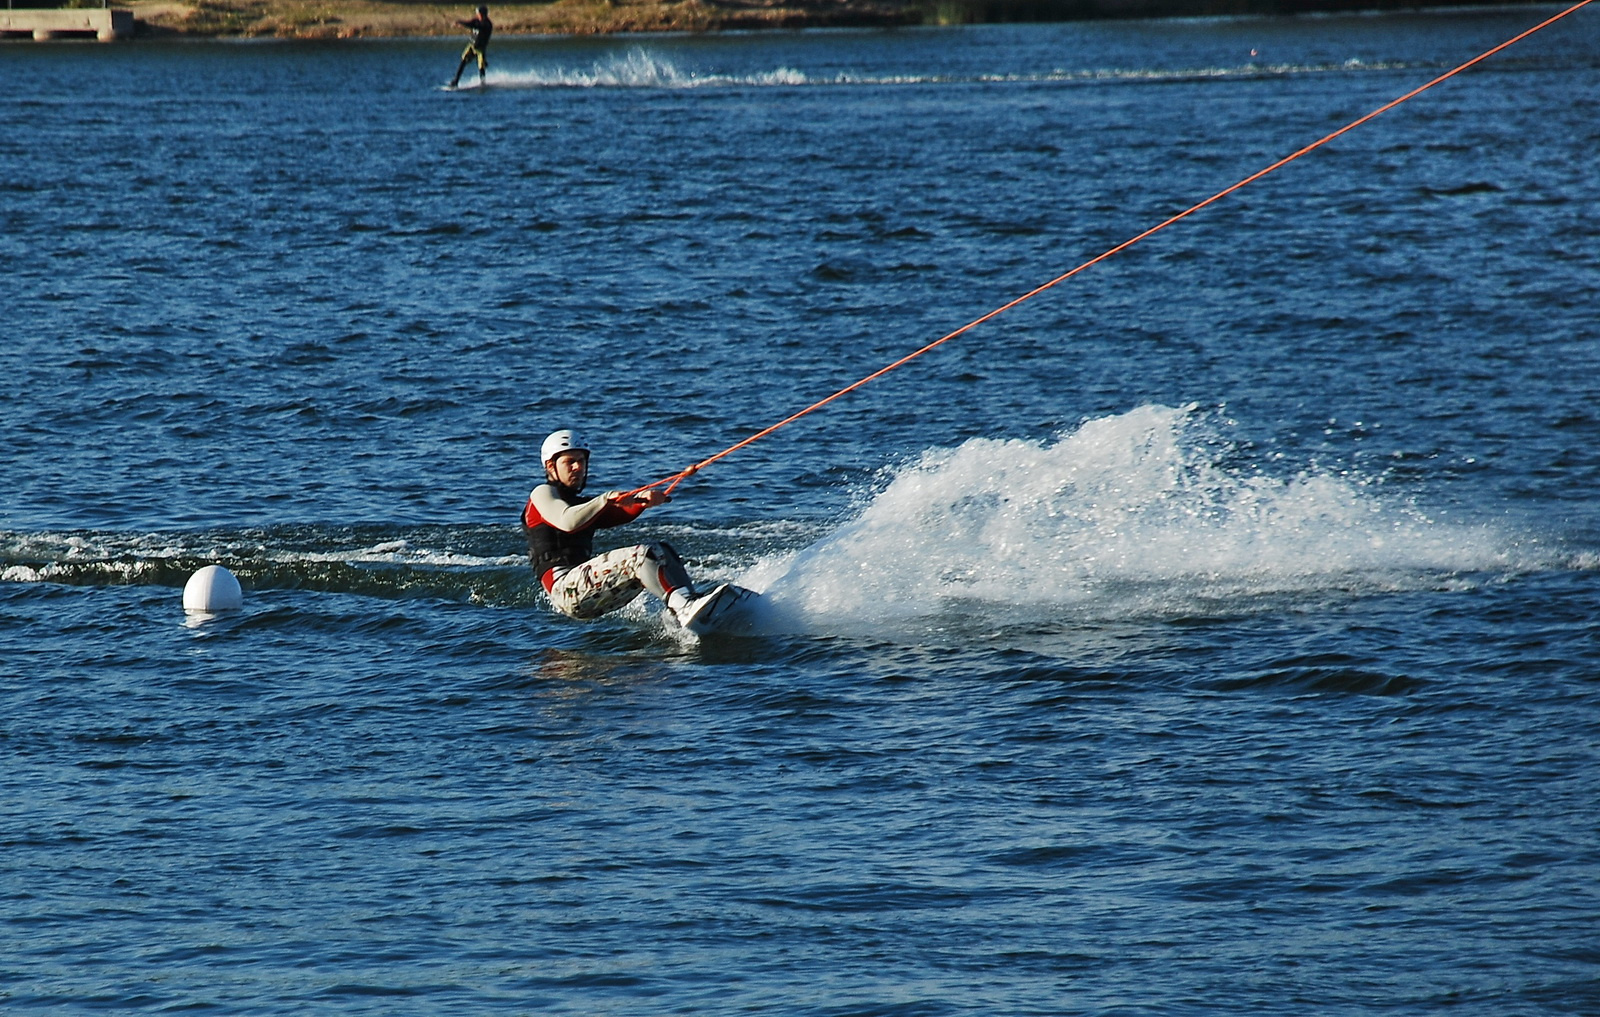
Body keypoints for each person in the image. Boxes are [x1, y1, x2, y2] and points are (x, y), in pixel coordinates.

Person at [523, 429, 720, 626]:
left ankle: (689, 608)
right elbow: (568, 521)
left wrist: (642, 502)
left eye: (581, 461)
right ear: (550, 466)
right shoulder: (541, 494)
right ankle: (684, 608)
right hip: (566, 590)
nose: (578, 467)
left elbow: (615, 515)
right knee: (642, 555)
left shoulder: (580, 504)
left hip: (590, 594)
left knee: (662, 551)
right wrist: (605, 499)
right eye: (570, 462)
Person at [449, 5, 493, 89]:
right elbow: (470, 23)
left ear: (483, 14)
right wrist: (459, 22)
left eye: (478, 13)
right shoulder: (476, 20)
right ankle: (456, 81)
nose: (477, 15)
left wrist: (462, 23)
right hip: (472, 45)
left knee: (481, 66)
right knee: (463, 61)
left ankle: (483, 83)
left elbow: (477, 26)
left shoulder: (487, 24)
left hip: (480, 49)